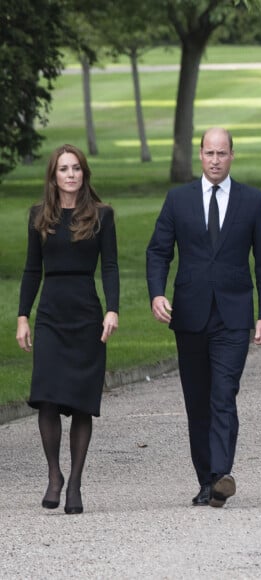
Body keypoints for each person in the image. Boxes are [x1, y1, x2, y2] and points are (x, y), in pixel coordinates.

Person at [146, 127, 261, 508]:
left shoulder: (252, 200)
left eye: (222, 153)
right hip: (190, 314)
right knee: (197, 401)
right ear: (200, 156)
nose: (216, 160)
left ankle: (221, 473)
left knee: (224, 393)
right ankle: (206, 480)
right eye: (210, 153)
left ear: (232, 156)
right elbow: (158, 251)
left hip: (234, 316)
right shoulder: (178, 199)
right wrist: (157, 292)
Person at [16, 144, 119, 515]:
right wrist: (23, 316)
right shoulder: (38, 216)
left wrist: (112, 310)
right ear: (53, 176)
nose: (71, 174)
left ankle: (75, 483)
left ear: (83, 173)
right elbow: (31, 270)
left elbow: (110, 267)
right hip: (51, 313)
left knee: (80, 403)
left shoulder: (102, 216)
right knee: (45, 394)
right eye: (64, 169)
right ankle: (54, 475)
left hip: (87, 313)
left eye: (76, 168)